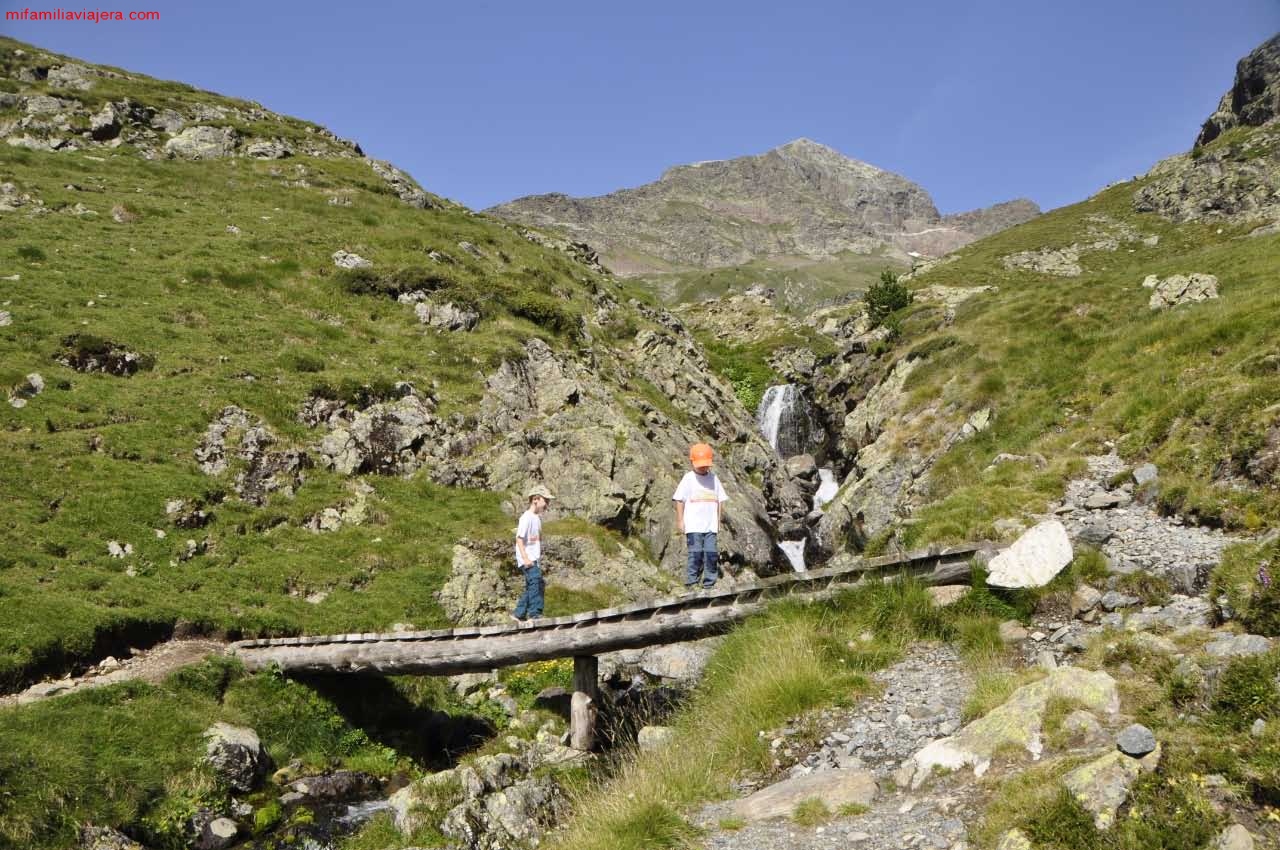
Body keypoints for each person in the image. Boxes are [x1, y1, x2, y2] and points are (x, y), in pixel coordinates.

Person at [673, 443, 728, 589]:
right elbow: (679, 500)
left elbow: (720, 500)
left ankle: (709, 584)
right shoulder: (688, 478)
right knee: (695, 554)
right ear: (692, 462)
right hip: (693, 525)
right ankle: (692, 582)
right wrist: (680, 521)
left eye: (706, 465)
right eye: (700, 465)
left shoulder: (714, 478)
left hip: (710, 525)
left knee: (711, 554)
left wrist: (718, 521)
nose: (703, 468)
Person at [512, 485, 553, 621]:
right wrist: (525, 558)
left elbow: (537, 539)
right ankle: (535, 614)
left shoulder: (536, 519)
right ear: (536, 499)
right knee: (535, 581)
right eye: (545, 501)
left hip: (534, 559)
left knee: (536, 584)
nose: (547, 504)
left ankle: (518, 613)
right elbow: (519, 538)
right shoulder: (526, 517)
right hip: (527, 559)